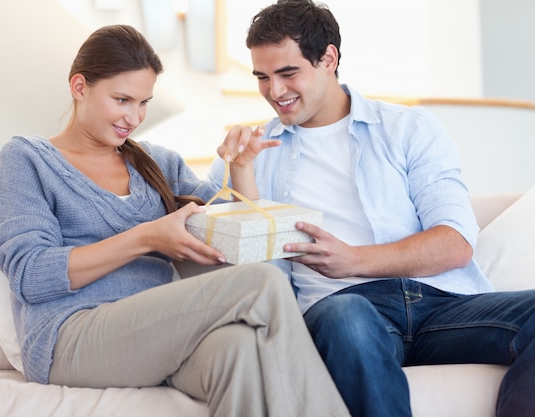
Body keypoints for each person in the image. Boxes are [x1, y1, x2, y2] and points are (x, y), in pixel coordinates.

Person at [0, 24, 349, 417]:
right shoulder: (27, 158)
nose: (134, 116)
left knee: (239, 349)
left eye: (143, 102)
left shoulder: (157, 163)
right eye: (122, 99)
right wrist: (146, 238)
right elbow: (30, 276)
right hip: (68, 337)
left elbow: (231, 237)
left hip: (158, 332)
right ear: (79, 87)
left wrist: (242, 169)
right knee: (263, 283)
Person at [212, 1, 535, 416]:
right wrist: (241, 176)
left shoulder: (407, 129)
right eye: (262, 77)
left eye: (288, 73)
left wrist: (354, 260)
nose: (275, 92)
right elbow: (238, 263)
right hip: (345, 310)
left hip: (442, 305)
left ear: (328, 58)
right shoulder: (248, 157)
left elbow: (455, 243)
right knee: (347, 319)